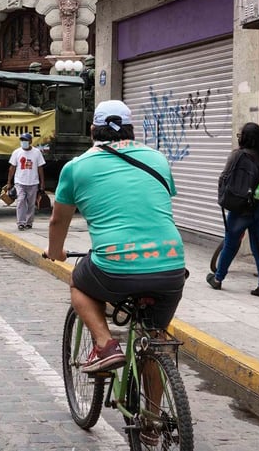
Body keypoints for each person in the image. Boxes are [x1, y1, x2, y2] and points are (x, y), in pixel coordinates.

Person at [45, 100, 186, 374]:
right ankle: (154, 416)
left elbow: (58, 220)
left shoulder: (76, 167)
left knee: (78, 282)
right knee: (155, 338)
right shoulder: (157, 159)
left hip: (114, 267)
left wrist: (55, 252)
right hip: (170, 266)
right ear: (131, 130)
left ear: (92, 131)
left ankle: (105, 345)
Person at [207, 122, 259, 297]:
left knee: (230, 243)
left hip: (241, 209)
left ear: (244, 138)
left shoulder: (238, 155)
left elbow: (225, 178)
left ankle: (218, 279)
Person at [7, 132, 45, 231]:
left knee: (31, 204)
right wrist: (9, 182)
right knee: (20, 202)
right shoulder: (16, 152)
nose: (23, 142)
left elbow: (40, 168)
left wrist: (42, 183)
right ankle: (21, 222)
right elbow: (12, 168)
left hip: (33, 182)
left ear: (31, 141)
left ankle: (29, 222)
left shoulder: (37, 152)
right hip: (20, 182)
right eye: (22, 140)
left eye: (26, 140)